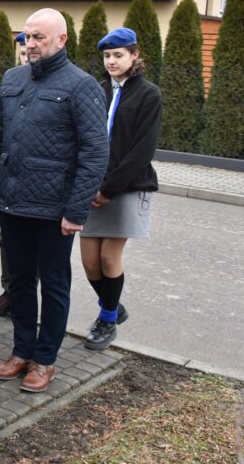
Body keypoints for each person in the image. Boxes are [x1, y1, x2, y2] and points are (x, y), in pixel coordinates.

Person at [0, 8, 108, 393]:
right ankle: (21, 351)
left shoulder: (81, 85)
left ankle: (45, 360)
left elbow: (95, 152)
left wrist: (76, 211)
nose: (30, 44)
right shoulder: (12, 78)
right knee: (19, 281)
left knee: (53, 284)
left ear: (62, 40)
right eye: (27, 37)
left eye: (39, 37)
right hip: (13, 202)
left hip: (55, 210)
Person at [81, 28, 162, 350]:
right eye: (107, 56)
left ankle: (107, 319)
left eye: (118, 55)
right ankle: (113, 305)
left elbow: (142, 150)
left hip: (127, 187)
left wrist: (109, 189)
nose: (112, 61)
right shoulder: (97, 90)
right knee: (89, 261)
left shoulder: (148, 94)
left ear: (134, 56)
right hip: (92, 185)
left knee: (108, 256)